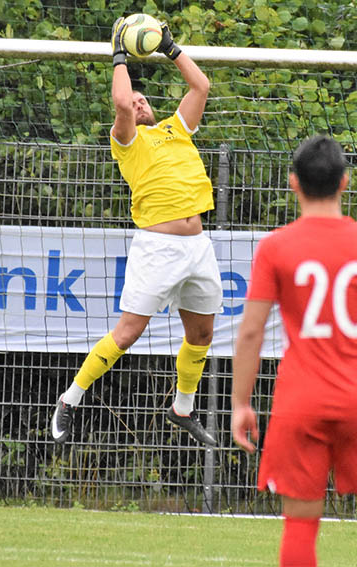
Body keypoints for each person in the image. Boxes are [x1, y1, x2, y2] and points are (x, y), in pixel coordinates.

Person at [230, 135, 357, 567]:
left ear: (293, 183)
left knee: (300, 525)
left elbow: (250, 334)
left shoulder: (276, 248)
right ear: (346, 183)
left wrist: (241, 402)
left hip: (300, 400)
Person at [50, 17, 220, 446]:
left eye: (145, 100)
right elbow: (122, 104)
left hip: (198, 247)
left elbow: (201, 87)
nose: (139, 103)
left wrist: (170, 47)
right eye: (135, 99)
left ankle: (182, 408)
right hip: (157, 248)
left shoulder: (176, 128)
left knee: (201, 335)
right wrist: (120, 53)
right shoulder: (126, 141)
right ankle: (70, 399)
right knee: (127, 333)